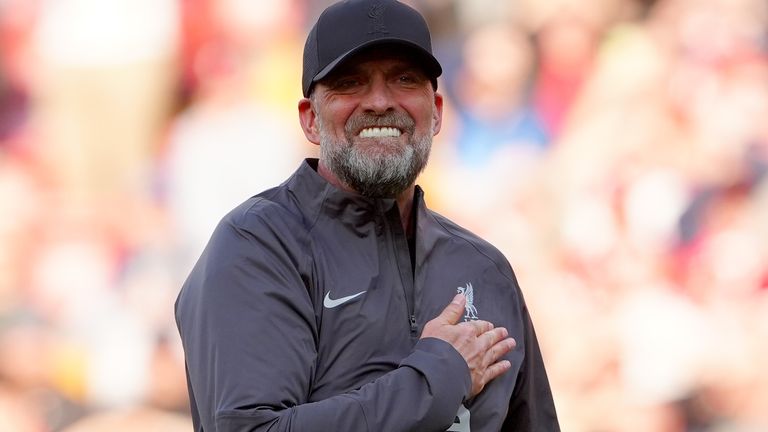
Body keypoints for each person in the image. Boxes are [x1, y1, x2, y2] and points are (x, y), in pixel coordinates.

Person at [175, 1, 560, 431]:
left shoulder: (484, 269)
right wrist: (437, 377)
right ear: (310, 121)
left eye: (403, 79)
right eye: (350, 82)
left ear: (436, 112)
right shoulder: (258, 247)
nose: (379, 101)